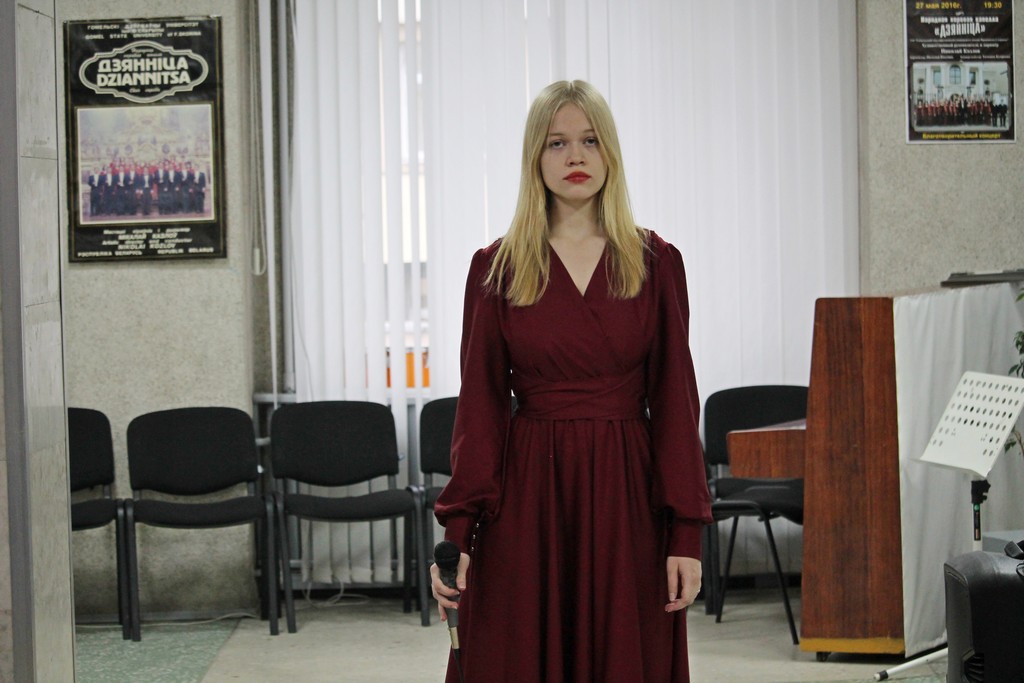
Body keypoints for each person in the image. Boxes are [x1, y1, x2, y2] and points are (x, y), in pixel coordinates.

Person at [430, 79, 712, 682]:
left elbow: (675, 402)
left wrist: (686, 534)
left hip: (627, 494)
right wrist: (459, 532)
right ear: (535, 156)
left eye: (589, 141)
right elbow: (479, 409)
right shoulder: (496, 267)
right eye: (556, 143)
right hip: (528, 493)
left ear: (610, 152)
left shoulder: (656, 261)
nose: (575, 156)